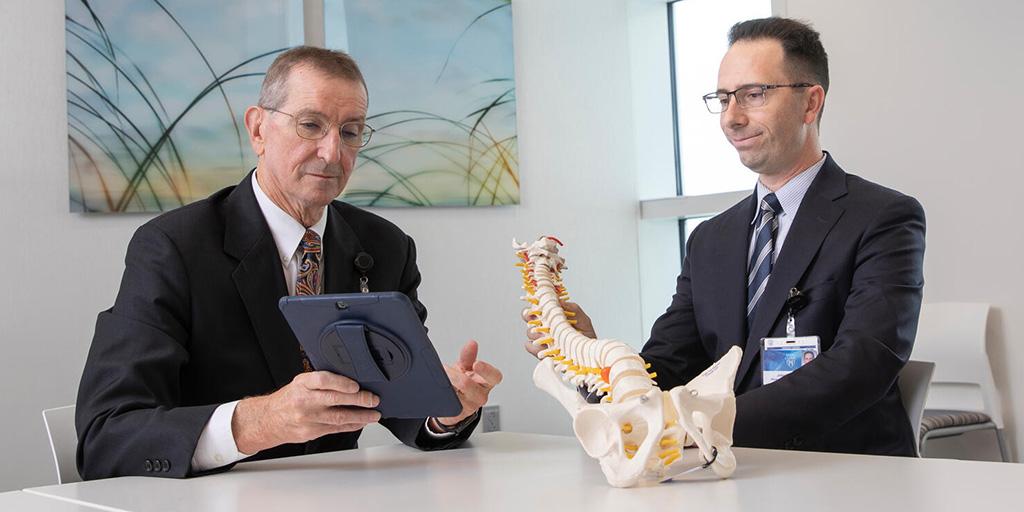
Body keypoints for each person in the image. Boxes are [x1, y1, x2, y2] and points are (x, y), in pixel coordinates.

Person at [76, 46, 502, 479]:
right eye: (311, 125)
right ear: (258, 129)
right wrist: (261, 422)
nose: (332, 152)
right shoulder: (173, 248)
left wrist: (445, 410)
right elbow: (106, 437)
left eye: (351, 132)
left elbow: (397, 401)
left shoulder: (386, 245)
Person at [526, 17, 925, 456]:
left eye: (754, 95)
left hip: (846, 474)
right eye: (723, 98)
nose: (732, 118)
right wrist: (591, 355)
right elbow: (666, 368)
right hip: (729, 471)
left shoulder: (882, 218)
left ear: (810, 104)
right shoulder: (710, 240)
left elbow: (862, 365)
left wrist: (705, 427)